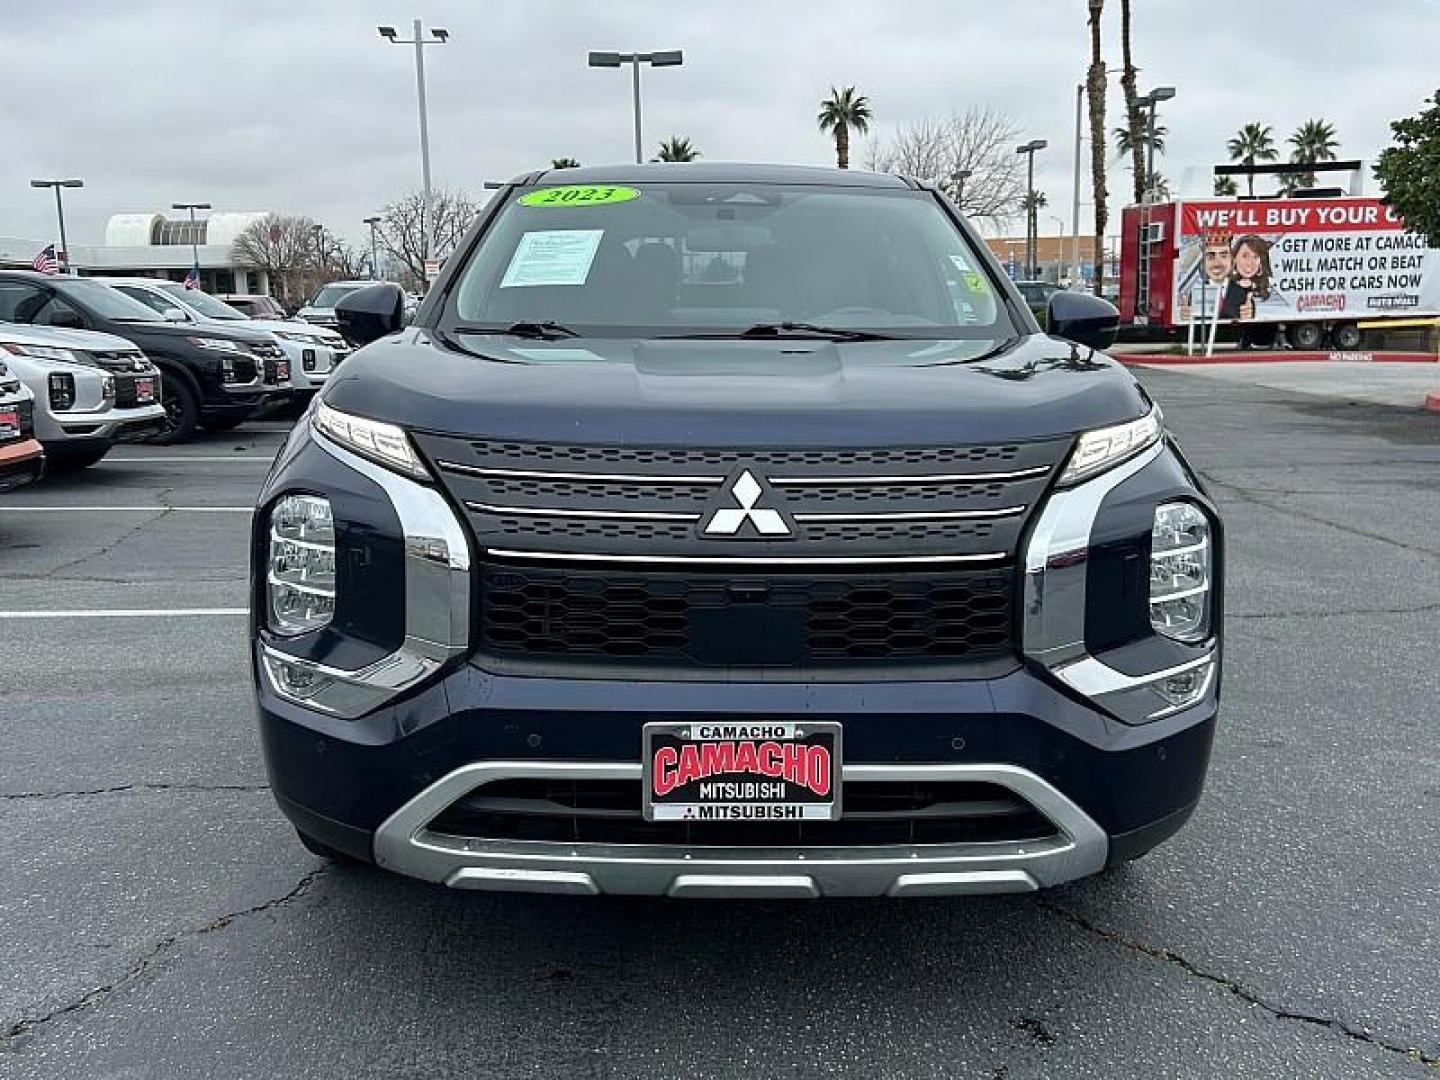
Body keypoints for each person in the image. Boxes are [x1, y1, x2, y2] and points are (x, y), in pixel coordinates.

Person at [1178, 232, 1233, 323]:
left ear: (1232, 259)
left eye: (1223, 256)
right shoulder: (1194, 292)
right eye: (1211, 256)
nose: (1217, 263)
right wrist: (1185, 316)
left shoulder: (1243, 292)